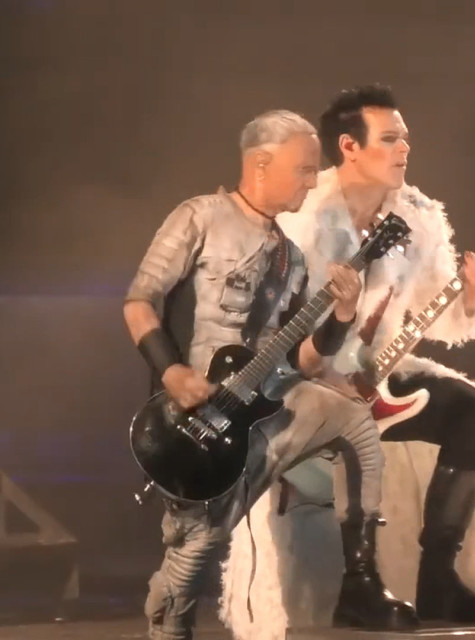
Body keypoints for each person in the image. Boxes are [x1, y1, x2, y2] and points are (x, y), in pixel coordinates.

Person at [220, 87, 475, 638]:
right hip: (296, 378)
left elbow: (444, 319)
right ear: (348, 147)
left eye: (405, 137)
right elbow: (261, 325)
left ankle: (437, 574)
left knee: (467, 409)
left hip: (376, 372)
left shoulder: (420, 216)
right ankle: (359, 585)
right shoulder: (300, 215)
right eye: (390, 138)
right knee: (348, 422)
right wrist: (322, 373)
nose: (405, 147)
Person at [123, 109, 418, 640]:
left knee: (357, 423)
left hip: (265, 403)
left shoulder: (292, 258)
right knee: (201, 542)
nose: (312, 180)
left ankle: (361, 579)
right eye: (303, 169)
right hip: (195, 416)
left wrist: (343, 315)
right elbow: (139, 302)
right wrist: (171, 373)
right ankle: (169, 624)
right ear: (261, 164)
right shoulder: (199, 217)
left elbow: (304, 360)